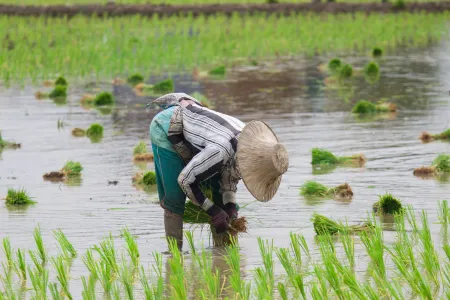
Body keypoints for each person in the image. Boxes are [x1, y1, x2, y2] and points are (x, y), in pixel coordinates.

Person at [148, 93, 289, 249]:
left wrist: (230, 208)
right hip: (169, 126)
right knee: (175, 196)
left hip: (205, 137)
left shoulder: (248, 145)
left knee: (219, 195)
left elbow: (229, 179)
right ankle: (174, 255)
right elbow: (185, 180)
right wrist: (213, 210)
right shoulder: (220, 150)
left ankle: (224, 251)